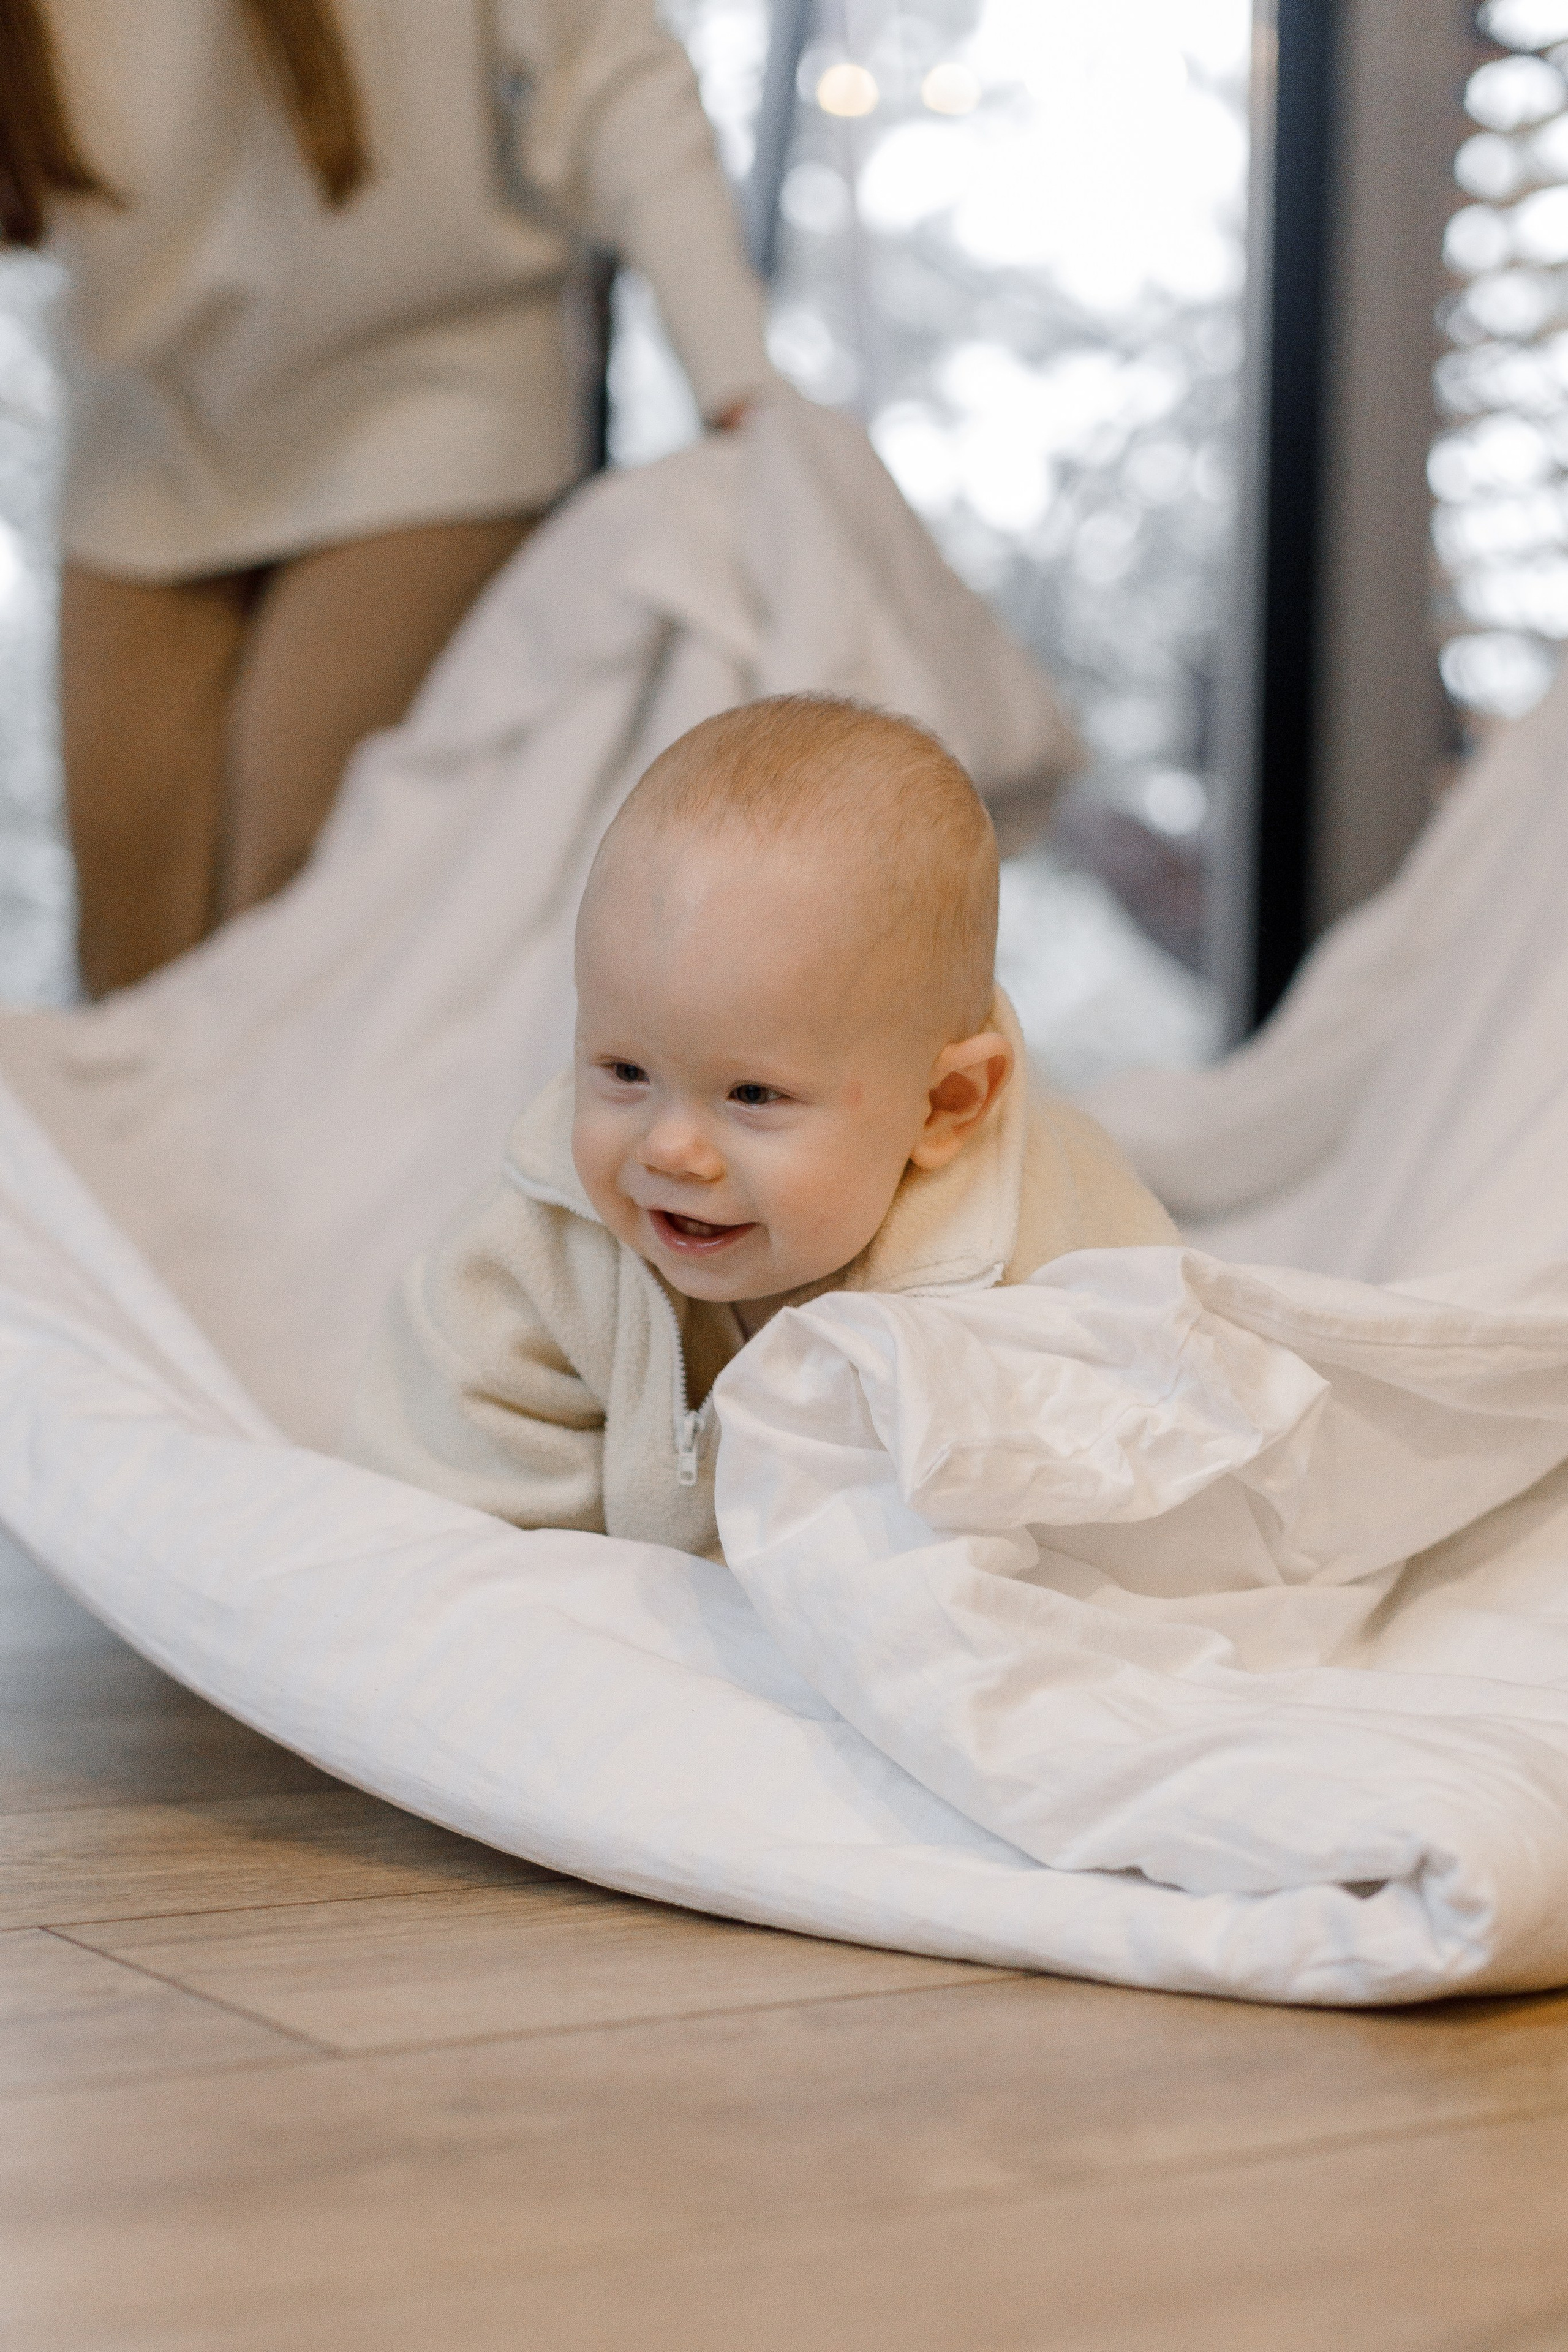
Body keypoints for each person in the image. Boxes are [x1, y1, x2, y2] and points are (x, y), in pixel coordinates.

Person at [0, 0, 772, 995]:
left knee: (298, 919)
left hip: (433, 400)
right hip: (145, 429)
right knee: (127, 954)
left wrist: (738, 381)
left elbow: (610, 70)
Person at [346, 694, 1177, 1559]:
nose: (668, 1149)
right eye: (625, 1073)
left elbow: (1135, 1518)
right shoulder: (545, 1248)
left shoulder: (1056, 1275)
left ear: (943, 1106)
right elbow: (438, 1523)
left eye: (751, 1096)